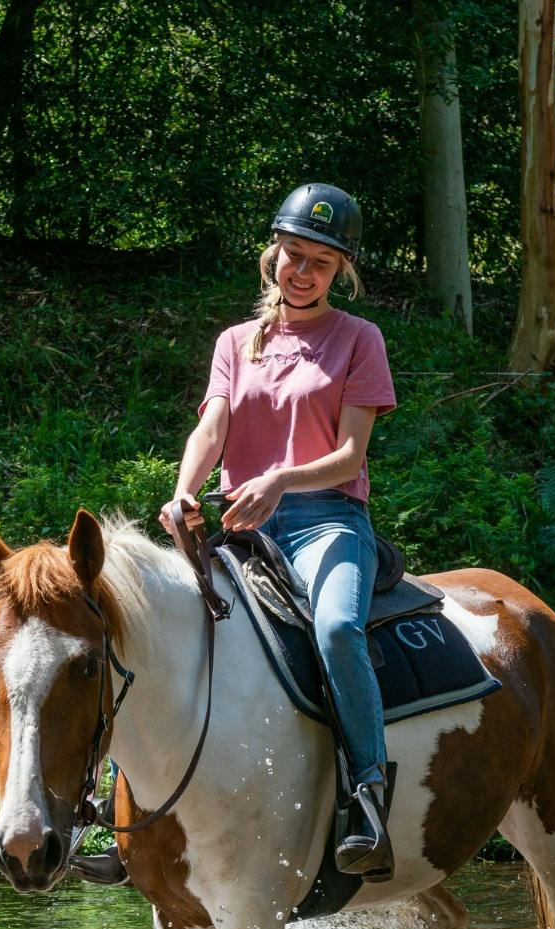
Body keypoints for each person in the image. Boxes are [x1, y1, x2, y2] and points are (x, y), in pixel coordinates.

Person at [159, 183, 399, 879]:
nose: (303, 272)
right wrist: (184, 489)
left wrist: (279, 481)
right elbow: (213, 427)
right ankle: (125, 820)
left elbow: (351, 455)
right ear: (273, 256)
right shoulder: (237, 342)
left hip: (328, 521)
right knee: (151, 626)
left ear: (339, 272)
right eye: (294, 255)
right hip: (241, 525)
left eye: (320, 263)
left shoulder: (359, 339)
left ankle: (368, 798)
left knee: (335, 632)